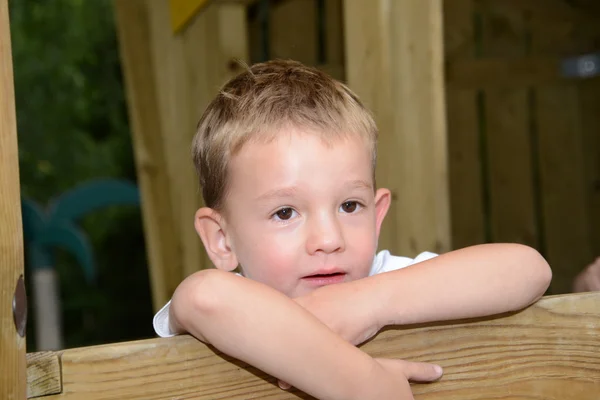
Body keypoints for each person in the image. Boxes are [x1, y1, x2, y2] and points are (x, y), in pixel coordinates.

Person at [152, 60, 552, 400]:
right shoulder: (232, 307)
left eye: (349, 206)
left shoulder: (385, 278)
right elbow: (204, 297)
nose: (329, 240)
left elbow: (528, 268)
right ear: (221, 239)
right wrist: (364, 385)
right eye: (286, 212)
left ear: (377, 215)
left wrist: (368, 304)